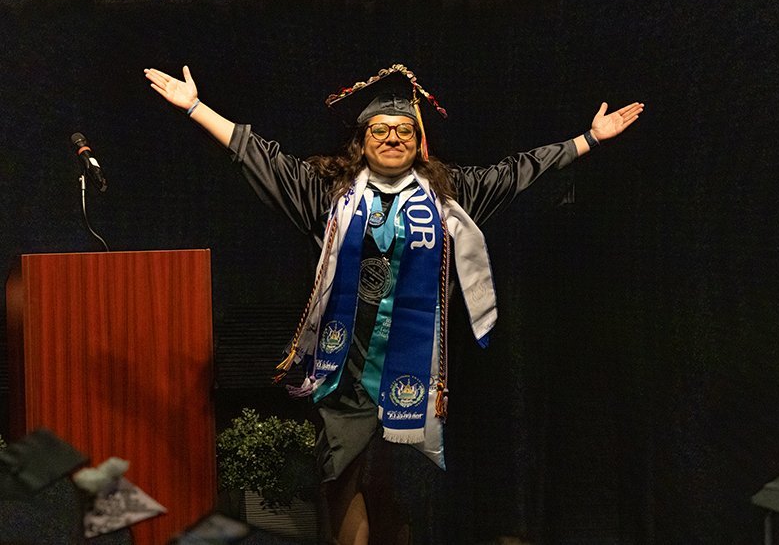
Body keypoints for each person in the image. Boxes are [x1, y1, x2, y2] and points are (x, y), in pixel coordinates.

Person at [144, 63, 643, 545]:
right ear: (361, 141)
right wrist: (196, 108)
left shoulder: (450, 196)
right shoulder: (330, 193)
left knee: (396, 485)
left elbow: (516, 172)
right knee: (341, 476)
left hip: (419, 364)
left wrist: (589, 140)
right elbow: (260, 157)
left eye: (404, 130)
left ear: (418, 142)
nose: (392, 139)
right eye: (380, 130)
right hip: (347, 363)